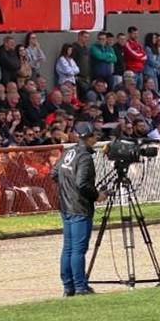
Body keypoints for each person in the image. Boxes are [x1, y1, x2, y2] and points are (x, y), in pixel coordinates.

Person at [56, 127, 98, 296]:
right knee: (78, 249)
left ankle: (68, 286)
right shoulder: (85, 157)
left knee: (68, 248)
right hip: (79, 206)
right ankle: (80, 286)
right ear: (90, 138)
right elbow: (82, 183)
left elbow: (54, 173)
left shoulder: (69, 152)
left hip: (65, 204)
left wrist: (66, 189)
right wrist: (97, 195)